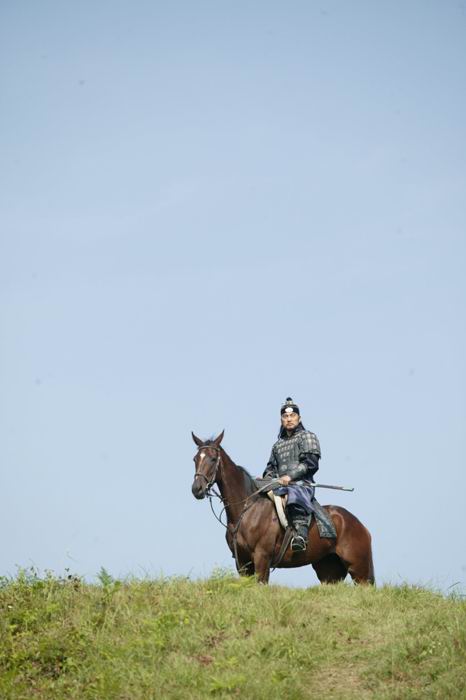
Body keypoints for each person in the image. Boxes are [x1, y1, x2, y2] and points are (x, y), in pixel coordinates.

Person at [263, 397, 321, 552]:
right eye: (285, 416)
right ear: (281, 420)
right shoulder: (277, 445)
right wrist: (266, 480)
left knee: (294, 492)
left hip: (301, 484)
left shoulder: (307, 436)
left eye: (292, 416)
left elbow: (311, 463)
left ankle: (301, 535)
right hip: (280, 485)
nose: (289, 419)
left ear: (299, 418)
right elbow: (270, 468)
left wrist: (290, 477)